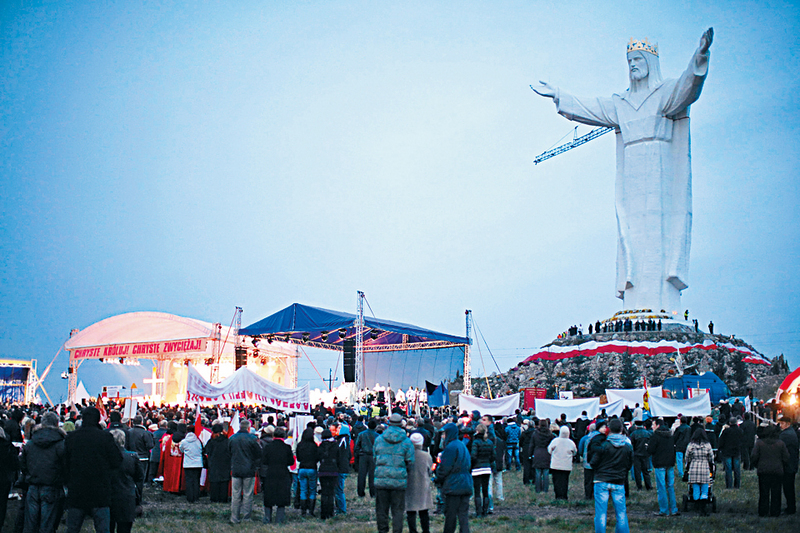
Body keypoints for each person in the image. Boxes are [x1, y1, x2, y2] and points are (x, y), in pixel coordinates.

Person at [531, 29, 713, 312]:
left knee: (660, 236)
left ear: (650, 63)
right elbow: (588, 108)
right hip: (631, 178)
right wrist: (558, 94)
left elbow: (687, 87)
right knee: (631, 236)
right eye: (629, 61)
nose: (633, 66)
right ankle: (635, 298)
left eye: (638, 59)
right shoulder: (621, 103)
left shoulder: (664, 94)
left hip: (661, 173)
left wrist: (699, 57)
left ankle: (662, 301)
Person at [64, 406, 123, 533]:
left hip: (77, 489)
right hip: (100, 490)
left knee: (72, 528)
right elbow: (117, 461)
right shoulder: (105, 437)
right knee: (103, 529)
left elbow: (64, 463)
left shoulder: (71, 438)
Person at [20, 411, 66, 533]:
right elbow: (65, 465)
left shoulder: (31, 442)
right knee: (47, 524)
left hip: (33, 484)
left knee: (30, 524)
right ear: (57, 424)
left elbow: (22, 463)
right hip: (52, 486)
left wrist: (29, 474)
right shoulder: (60, 444)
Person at [374, 413, 415, 533]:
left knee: (381, 510)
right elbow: (411, 461)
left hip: (381, 479)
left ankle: (383, 530)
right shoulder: (406, 442)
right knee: (398, 511)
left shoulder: (379, 439)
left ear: (389, 423)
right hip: (399, 480)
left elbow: (375, 458)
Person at [590, 418, 633, 533]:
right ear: (621, 429)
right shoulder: (627, 447)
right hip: (618, 480)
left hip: (601, 480)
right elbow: (629, 464)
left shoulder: (604, 445)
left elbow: (593, 462)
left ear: (609, 429)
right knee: (621, 513)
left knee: (601, 513)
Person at [435, 422, 472, 533]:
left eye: (444, 434)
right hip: (466, 483)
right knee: (463, 516)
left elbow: (445, 467)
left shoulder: (450, 448)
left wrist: (438, 478)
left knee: (450, 515)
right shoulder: (462, 445)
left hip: (454, 485)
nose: (442, 437)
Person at [751, 424, 789, 517]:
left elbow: (754, 456)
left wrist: (757, 465)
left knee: (764, 493)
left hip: (763, 471)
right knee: (776, 493)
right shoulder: (780, 443)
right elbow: (786, 457)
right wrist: (782, 465)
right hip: (777, 471)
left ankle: (763, 511)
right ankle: (775, 512)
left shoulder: (759, 443)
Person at [108, 429, 142, 533]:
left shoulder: (104, 457)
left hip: (109, 495)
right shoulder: (132, 457)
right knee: (125, 528)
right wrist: (138, 497)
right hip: (127, 495)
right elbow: (139, 478)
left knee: (108, 526)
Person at [228, 419, 261, 524]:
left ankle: (234, 518)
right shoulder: (252, 439)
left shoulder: (232, 438)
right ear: (248, 427)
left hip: (236, 469)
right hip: (249, 469)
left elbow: (229, 452)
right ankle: (246, 518)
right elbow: (259, 453)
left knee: (235, 495)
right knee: (247, 494)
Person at [260, 426, 295, 523]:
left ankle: (267, 518)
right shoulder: (286, 447)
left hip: (270, 473)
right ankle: (279, 519)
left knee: (269, 497)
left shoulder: (268, 447)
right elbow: (291, 462)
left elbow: (264, 461)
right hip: (283, 473)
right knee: (282, 498)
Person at [647, 417, 679, 516]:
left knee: (661, 487)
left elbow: (650, 450)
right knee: (670, 486)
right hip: (670, 463)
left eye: (653, 425)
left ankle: (664, 510)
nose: (652, 427)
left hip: (659, 463)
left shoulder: (655, 436)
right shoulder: (670, 435)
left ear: (658, 425)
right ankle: (673, 509)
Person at [405, 433, 433, 533]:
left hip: (410, 484)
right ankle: (426, 530)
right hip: (423, 484)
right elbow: (430, 471)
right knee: (424, 510)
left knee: (411, 510)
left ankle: (413, 530)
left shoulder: (407, 455)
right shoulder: (426, 456)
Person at [684, 428, 714, 516]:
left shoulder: (691, 445)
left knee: (695, 488)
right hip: (704, 468)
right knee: (705, 488)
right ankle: (703, 508)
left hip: (694, 468)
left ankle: (696, 506)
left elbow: (687, 457)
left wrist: (688, 465)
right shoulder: (708, 445)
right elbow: (711, 458)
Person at [126, 415, 153, 502]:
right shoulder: (145, 433)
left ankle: (131, 497)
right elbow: (150, 445)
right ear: (142, 422)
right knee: (140, 479)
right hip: (142, 458)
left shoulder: (128, 432)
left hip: (131, 457)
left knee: (131, 478)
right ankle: (139, 498)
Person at [547, 425, 577, 500]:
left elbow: (549, 450)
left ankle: (558, 495)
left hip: (555, 465)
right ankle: (564, 495)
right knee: (564, 481)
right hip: (566, 466)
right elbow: (575, 452)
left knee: (556, 481)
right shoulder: (571, 443)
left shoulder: (555, 441)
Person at [295, 427, 320, 516]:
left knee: (303, 489)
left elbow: (298, 458)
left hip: (302, 468)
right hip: (312, 468)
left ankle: (303, 511)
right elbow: (317, 457)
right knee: (312, 490)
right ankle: (311, 510)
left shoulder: (300, 445)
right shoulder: (314, 446)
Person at [469, 424, 493, 516]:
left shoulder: (475, 442)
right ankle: (485, 511)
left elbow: (473, 456)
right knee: (485, 491)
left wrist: (473, 464)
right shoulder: (489, 442)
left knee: (477, 491)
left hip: (477, 469)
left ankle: (478, 512)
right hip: (487, 468)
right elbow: (493, 456)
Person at [317, 429, 339, 520]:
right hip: (333, 471)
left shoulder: (320, 447)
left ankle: (323, 513)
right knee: (331, 493)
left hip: (323, 471)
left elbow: (317, 457)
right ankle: (330, 512)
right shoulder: (335, 446)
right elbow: (339, 458)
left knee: (324, 492)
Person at [777, 416, 798, 515]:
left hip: (788, 465)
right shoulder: (791, 433)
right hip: (792, 464)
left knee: (788, 488)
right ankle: (791, 507)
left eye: (782, 424)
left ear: (788, 424)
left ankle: (791, 508)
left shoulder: (786, 435)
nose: (780, 425)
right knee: (789, 488)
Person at [178, 426, 203, 503]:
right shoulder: (198, 441)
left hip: (188, 464)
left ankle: (190, 497)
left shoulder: (184, 441)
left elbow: (181, 450)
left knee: (189, 481)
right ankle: (196, 496)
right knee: (196, 480)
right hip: (198, 464)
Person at [717, 417, 743, 489]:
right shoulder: (740, 431)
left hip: (727, 452)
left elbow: (721, 440)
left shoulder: (726, 431)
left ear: (730, 423)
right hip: (736, 451)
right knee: (737, 469)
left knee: (728, 469)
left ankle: (729, 485)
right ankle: (737, 485)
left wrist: (720, 449)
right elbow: (742, 441)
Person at [355, 418, 378, 498]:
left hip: (363, 455)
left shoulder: (361, 434)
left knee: (362, 475)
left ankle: (361, 493)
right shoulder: (377, 436)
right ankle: (373, 493)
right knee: (372, 475)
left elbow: (357, 446)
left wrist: (358, 455)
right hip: (373, 456)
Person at [531, 419, 554, 493]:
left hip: (537, 453)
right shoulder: (550, 434)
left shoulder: (535, 433)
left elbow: (532, 445)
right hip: (547, 453)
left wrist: (530, 454)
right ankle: (545, 489)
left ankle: (538, 489)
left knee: (537, 473)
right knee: (546, 472)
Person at [629, 420, 652, 491]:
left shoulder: (633, 434)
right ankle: (649, 486)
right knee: (646, 471)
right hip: (645, 454)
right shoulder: (647, 433)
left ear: (636, 426)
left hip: (636, 455)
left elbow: (631, 445)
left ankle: (639, 486)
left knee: (637, 472)